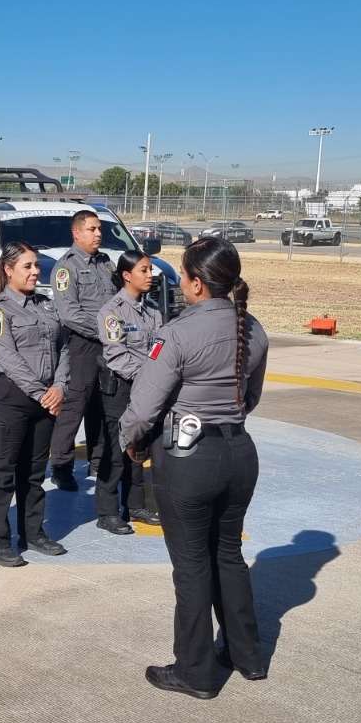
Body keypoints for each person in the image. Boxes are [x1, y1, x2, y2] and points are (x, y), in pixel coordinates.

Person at [120, 236, 269, 699]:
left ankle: (195, 671)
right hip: (238, 453)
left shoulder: (178, 333)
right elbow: (250, 398)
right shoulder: (252, 329)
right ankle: (247, 655)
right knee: (228, 554)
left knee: (191, 566)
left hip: (189, 459)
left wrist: (131, 441)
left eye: (183, 275)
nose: (180, 282)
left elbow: (144, 407)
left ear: (198, 284)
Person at [0, 241, 70, 567]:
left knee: (33, 472)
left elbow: (64, 348)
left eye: (36, 265)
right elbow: (8, 358)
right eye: (27, 266)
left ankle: (33, 532)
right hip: (12, 398)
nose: (35, 272)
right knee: (2, 470)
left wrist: (59, 386)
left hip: (46, 397)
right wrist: (42, 393)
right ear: (8, 270)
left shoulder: (46, 305)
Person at [94, 250, 164, 534]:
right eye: (144, 270)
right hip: (120, 387)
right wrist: (148, 376)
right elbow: (116, 354)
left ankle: (135, 505)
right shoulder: (111, 312)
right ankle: (107, 512)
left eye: (150, 270)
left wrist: (155, 375)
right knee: (115, 449)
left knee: (138, 447)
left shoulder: (153, 311)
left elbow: (159, 348)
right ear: (126, 275)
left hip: (145, 387)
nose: (150, 276)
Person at [49, 209, 113, 492]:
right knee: (75, 405)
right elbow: (69, 314)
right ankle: (61, 466)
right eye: (92, 229)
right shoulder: (67, 267)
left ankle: (97, 461)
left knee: (102, 403)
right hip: (81, 343)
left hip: (108, 346)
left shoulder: (105, 263)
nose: (98, 234)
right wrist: (105, 332)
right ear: (76, 233)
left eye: (99, 229)